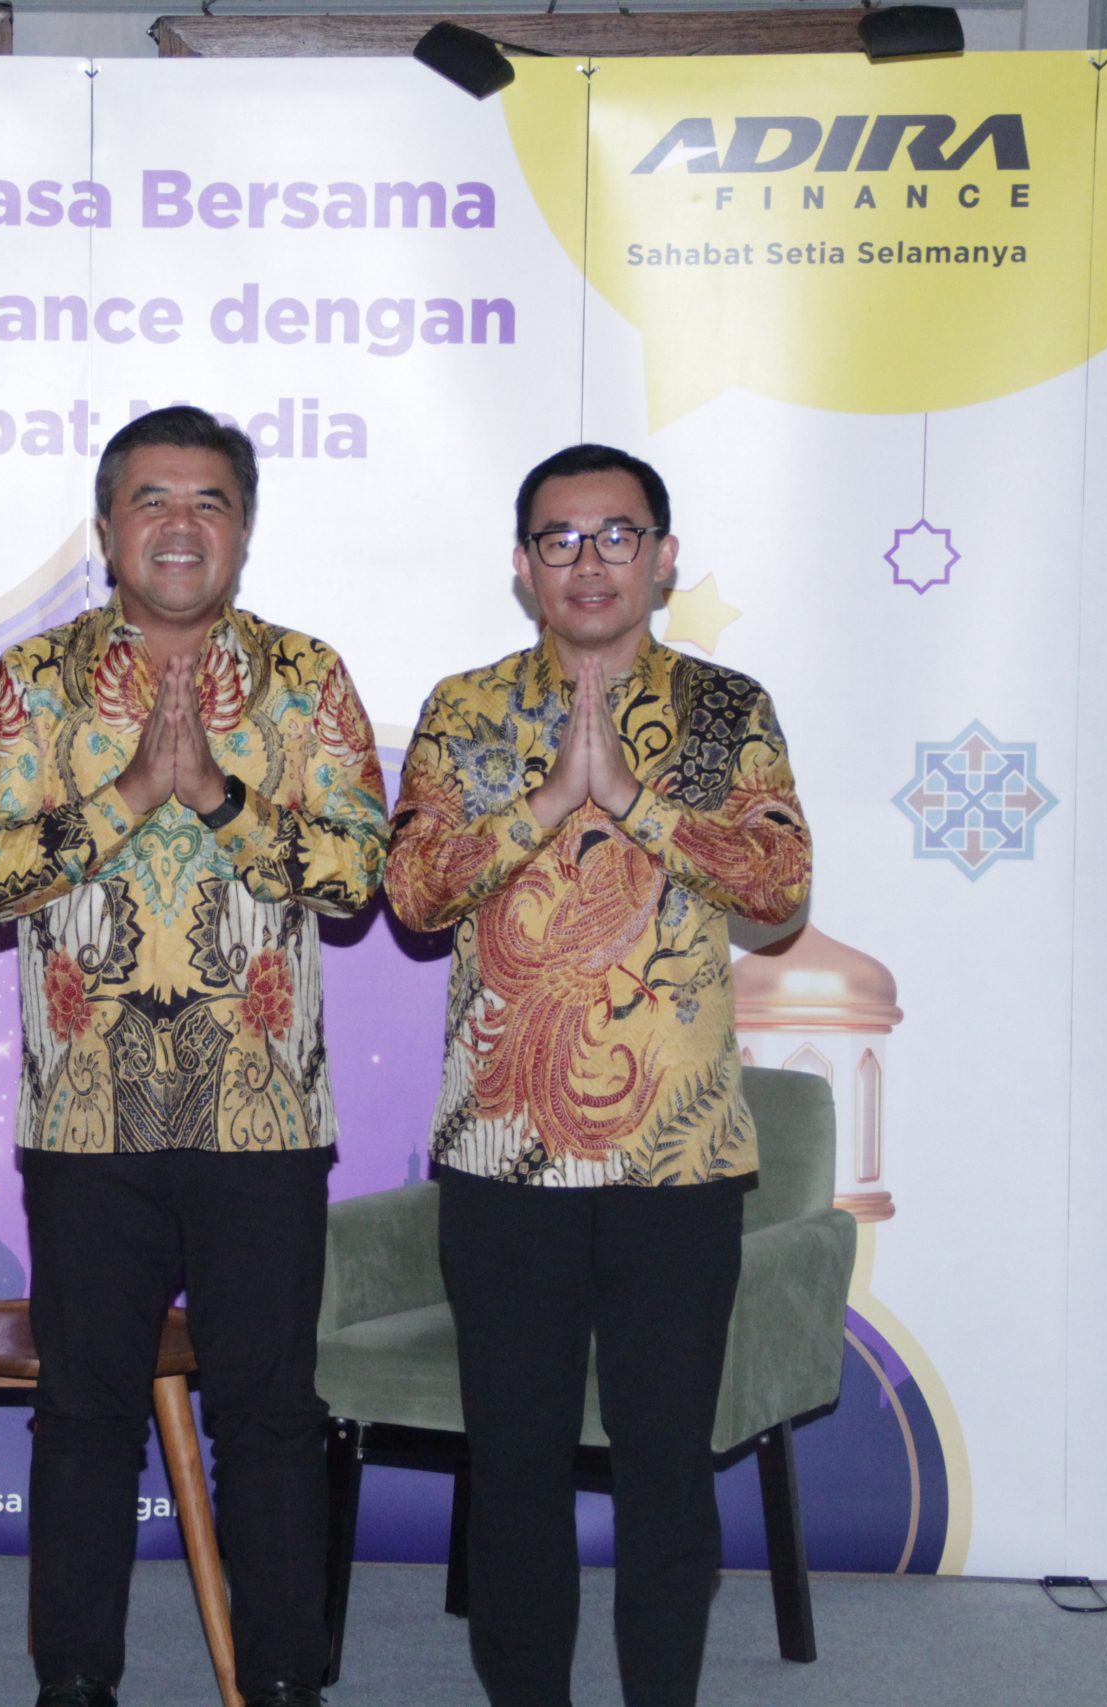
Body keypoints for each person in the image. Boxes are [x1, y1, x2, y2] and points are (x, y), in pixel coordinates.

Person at [0, 406, 389, 1707]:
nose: (180, 525)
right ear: (106, 528)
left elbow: (359, 874)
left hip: (262, 1113)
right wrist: (136, 790)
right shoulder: (33, 681)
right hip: (88, 1118)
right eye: (152, 499)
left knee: (270, 1416)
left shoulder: (307, 678)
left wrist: (216, 797)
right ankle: (75, 1681)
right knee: (86, 1415)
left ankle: (284, 1681)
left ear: (244, 529)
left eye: (209, 501)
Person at [384, 443, 812, 1707]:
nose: (589, 562)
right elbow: (411, 893)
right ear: (522, 566)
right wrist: (542, 806)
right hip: (502, 1154)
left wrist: (630, 799)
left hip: (675, 1160)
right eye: (559, 539)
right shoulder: (465, 711)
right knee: (513, 1466)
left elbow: (779, 889)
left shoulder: (728, 711)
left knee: (665, 1466)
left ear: (663, 559)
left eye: (616, 535)